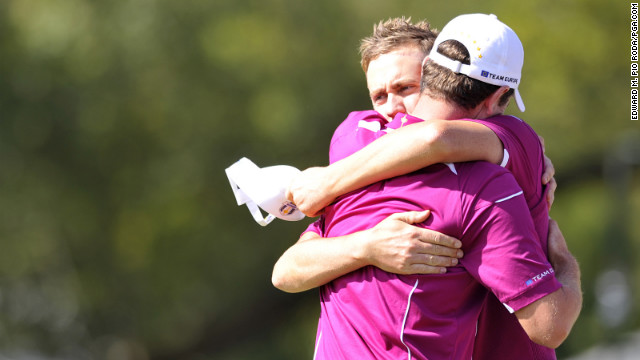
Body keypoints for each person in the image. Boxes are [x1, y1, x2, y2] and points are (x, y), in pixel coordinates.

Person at [273, 14, 581, 358]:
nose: (391, 109)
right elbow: (286, 270)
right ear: (498, 95)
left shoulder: (353, 151)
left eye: (405, 88)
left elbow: (434, 136)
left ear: (431, 75)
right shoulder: (359, 149)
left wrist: (327, 181)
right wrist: (368, 246)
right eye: (378, 96)